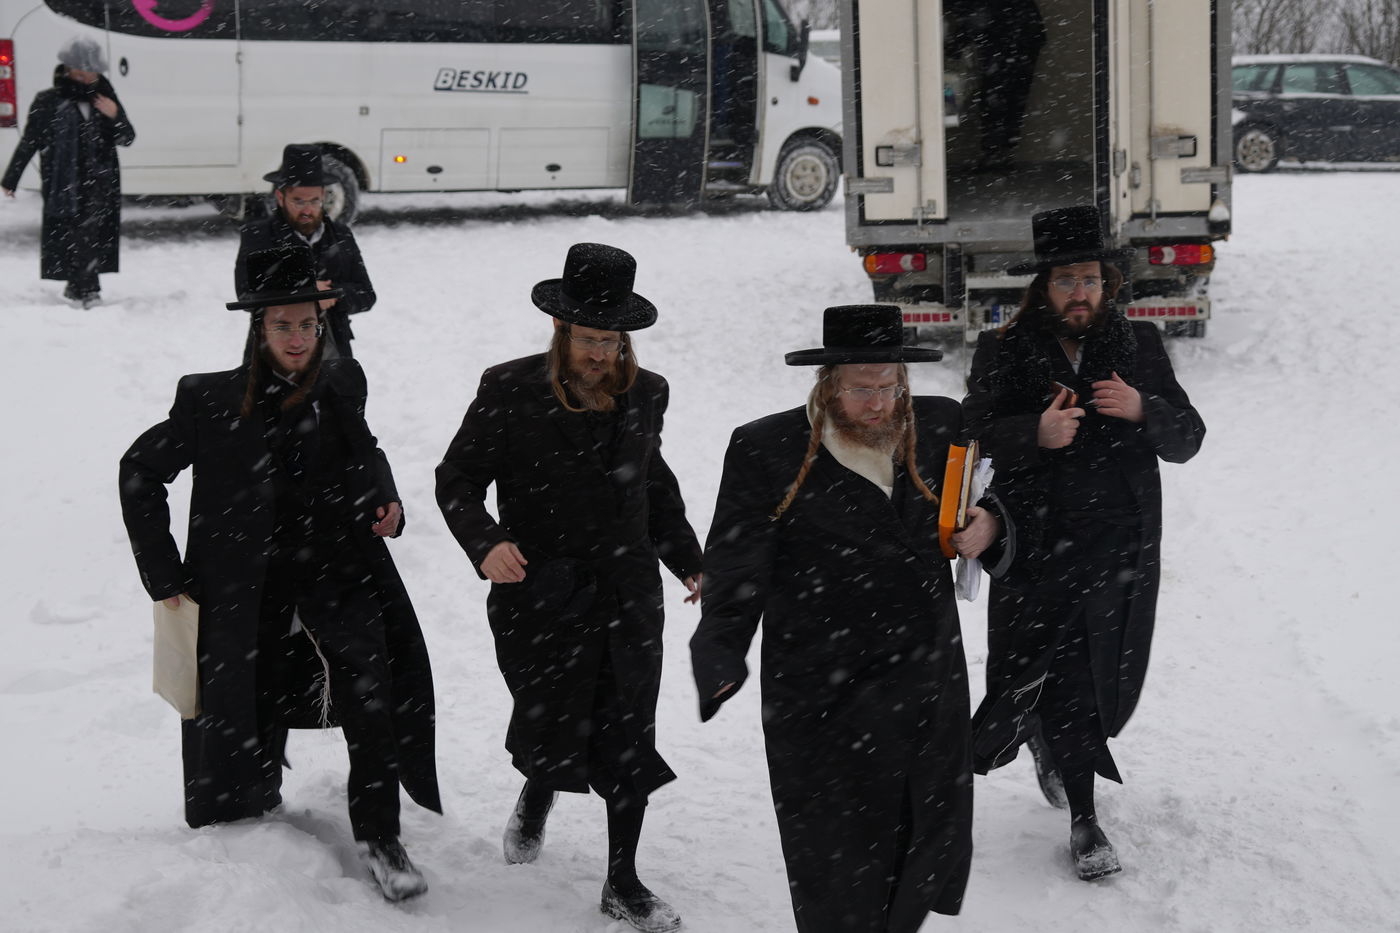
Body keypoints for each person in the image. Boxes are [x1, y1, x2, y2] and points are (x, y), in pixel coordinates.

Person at [119, 244, 440, 902]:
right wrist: (165, 570)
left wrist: (388, 498)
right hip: (247, 588)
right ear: (258, 329)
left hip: (338, 573)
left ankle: (382, 835)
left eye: (307, 324)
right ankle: (239, 819)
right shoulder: (208, 399)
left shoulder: (340, 385)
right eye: (283, 325)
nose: (298, 338)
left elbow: (366, 451)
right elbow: (140, 470)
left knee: (372, 696)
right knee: (243, 708)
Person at [690, 305, 1013, 933]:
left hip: (925, 672)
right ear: (828, 384)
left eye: (890, 384)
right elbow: (734, 562)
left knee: (925, 830)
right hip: (823, 681)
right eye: (862, 387)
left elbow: (990, 497)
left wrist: (992, 525)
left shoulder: (944, 425)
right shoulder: (768, 449)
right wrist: (722, 648)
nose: (879, 402)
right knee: (836, 848)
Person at [435, 242, 702, 933]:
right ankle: (539, 786)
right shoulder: (508, 390)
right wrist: (486, 541)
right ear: (560, 331)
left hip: (626, 591)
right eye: (589, 339)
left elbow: (654, 483)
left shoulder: (647, 393)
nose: (601, 354)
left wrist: (691, 561)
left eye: (612, 340)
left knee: (627, 728)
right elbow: (457, 478)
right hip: (541, 592)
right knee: (552, 716)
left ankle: (622, 880)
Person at [961, 205, 1205, 880]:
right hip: (1032, 544)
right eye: (1066, 279)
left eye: (1090, 279)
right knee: (1042, 671)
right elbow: (969, 432)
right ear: (1043, 286)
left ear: (1108, 286)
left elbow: (1189, 437)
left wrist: (1144, 409)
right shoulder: (1004, 349)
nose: (1079, 292)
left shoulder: (1140, 348)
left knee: (1093, 678)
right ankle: (1072, 793)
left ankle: (1069, 781)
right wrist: (1030, 434)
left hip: (1117, 547)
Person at [2, 36, 135, 309]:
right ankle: (88, 290)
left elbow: (127, 137)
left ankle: (81, 288)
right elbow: (31, 141)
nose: (88, 77)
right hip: (64, 181)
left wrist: (115, 116)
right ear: (67, 69)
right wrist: (11, 178)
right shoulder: (48, 101)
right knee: (75, 233)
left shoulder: (105, 98)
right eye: (82, 70)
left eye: (93, 71)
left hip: (101, 180)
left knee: (91, 233)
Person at [235, 144, 375, 358]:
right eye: (298, 201)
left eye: (314, 201)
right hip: (273, 350)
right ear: (281, 198)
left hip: (332, 349)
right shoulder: (258, 236)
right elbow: (246, 295)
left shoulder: (341, 234)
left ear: (323, 196)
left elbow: (366, 295)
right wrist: (306, 292)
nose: (307, 210)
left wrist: (333, 295)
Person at [944, 0, 1045, 168]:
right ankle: (1001, 151)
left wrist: (953, 46)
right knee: (1010, 95)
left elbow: (976, 18)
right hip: (1021, 34)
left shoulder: (979, 11)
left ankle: (995, 152)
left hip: (1011, 36)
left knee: (996, 95)